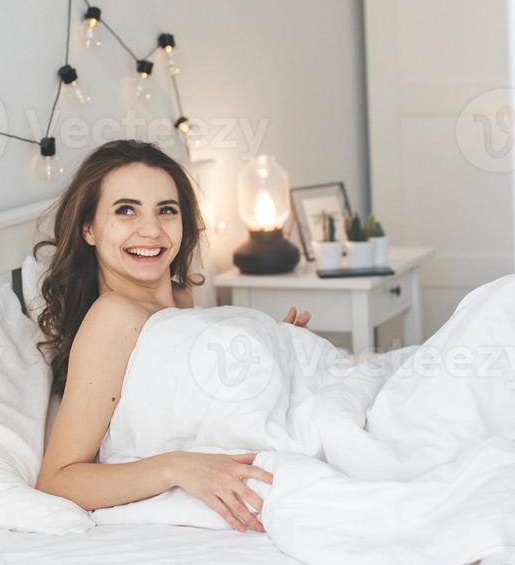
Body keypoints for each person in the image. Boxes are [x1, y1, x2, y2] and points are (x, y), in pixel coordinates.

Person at [32, 139, 308, 532]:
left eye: (167, 211)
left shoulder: (180, 298)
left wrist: (277, 358)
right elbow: (58, 479)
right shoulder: (112, 316)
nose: (151, 230)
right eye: (126, 210)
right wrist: (178, 466)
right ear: (89, 229)